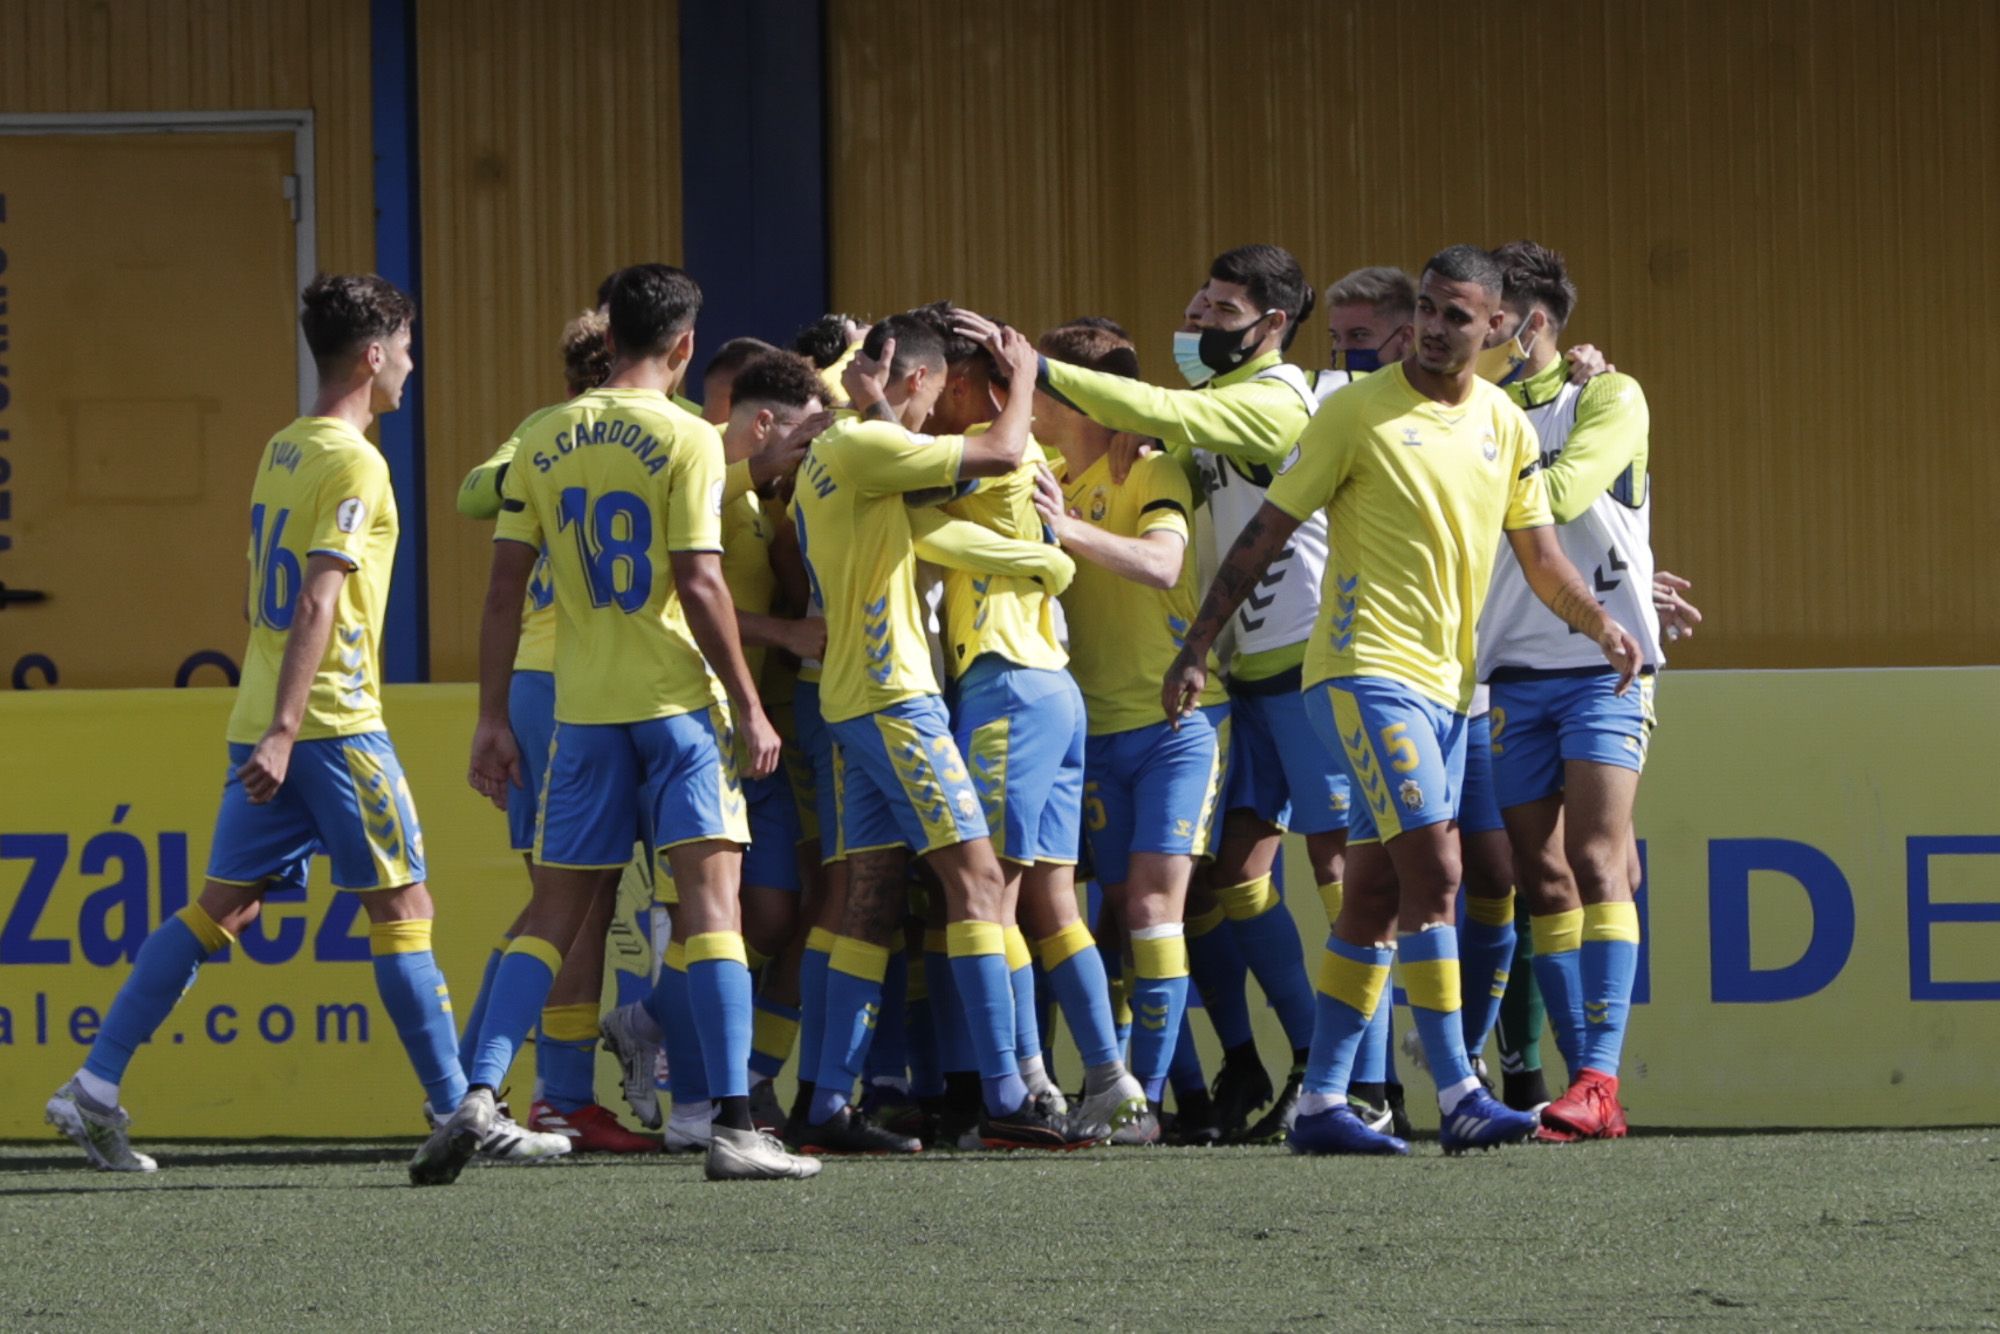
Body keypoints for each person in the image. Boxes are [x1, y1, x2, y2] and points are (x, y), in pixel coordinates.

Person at [1164, 245, 1641, 1158]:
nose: (1431, 327)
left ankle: (1323, 1102)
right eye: (1424, 307)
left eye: (1455, 315)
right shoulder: (1355, 412)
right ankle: (1458, 1088)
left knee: (1376, 893)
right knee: (1442, 873)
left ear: (1496, 327)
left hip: (1450, 689)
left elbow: (1542, 558)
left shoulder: (1503, 423)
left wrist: (1601, 624)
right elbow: (1268, 531)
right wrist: (1195, 647)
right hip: (1360, 669)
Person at [45, 275, 487, 1185]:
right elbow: (319, 596)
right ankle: (455, 1108)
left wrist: (269, 729)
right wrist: (292, 727)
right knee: (405, 911)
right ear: (373, 355)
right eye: (405, 347)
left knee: (221, 909)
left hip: (262, 723)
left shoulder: (283, 447)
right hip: (325, 723)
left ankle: (93, 1085)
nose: (411, 364)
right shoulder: (358, 462)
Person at [461, 263, 816, 1182]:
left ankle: (481, 1094)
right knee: (713, 916)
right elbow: (700, 582)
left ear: (607, 333)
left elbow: (503, 593)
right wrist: (745, 698)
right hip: (673, 710)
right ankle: (734, 1125)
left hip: (579, 712)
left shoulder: (539, 436)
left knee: (553, 916)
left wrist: (492, 715)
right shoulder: (690, 438)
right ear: (687, 346)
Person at [1024, 246, 1326, 1141]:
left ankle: (1324, 1072)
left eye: (1215, 314)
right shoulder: (1151, 441)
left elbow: (1160, 547)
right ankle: (1215, 1077)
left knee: (1337, 876)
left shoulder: (1230, 423)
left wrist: (1064, 518)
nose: (1193, 329)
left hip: (1253, 693)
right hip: (1162, 700)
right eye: (1194, 310)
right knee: (1187, 902)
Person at [789, 311, 1097, 1152]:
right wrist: (1025, 374)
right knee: (978, 879)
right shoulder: (867, 446)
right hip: (895, 696)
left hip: (850, 700)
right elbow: (999, 453)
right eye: (931, 398)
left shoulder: (840, 454)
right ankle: (1007, 1092)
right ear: (917, 380)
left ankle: (821, 1104)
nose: (935, 421)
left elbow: (933, 513)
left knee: (870, 903)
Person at [919, 306, 1148, 1137]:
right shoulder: (1033, 461)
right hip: (1052, 691)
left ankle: (1022, 1086)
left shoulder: (983, 460)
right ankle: (1108, 1077)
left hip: (1006, 685)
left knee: (993, 894)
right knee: (1052, 900)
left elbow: (909, 519)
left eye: (939, 380)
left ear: (973, 387)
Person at [451, 308, 656, 1155]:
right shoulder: (622, 433)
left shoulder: (542, 438)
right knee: (567, 899)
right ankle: (541, 1091)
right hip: (569, 677)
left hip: (561, 679)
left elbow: (473, 490)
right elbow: (475, 493)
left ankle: (494, 1082)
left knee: (577, 895)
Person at [1476, 240, 1663, 1142]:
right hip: (1512, 669)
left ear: (1533, 324)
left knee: (1597, 860)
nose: (1472, 333)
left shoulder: (1610, 396)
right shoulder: (1477, 411)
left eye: (1490, 319)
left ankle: (1599, 1077)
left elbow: (1572, 486)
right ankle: (1577, 1082)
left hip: (1605, 664)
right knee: (1539, 877)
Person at [1033, 318, 1235, 1141]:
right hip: (1091, 737)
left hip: (1171, 727)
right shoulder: (1041, 467)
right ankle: (1150, 1090)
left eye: (1043, 388)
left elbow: (1161, 564)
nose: (1029, 403)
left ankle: (1137, 1100)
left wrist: (1065, 527)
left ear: (1080, 398)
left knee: (1153, 907)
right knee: (1118, 913)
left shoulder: (1150, 467)